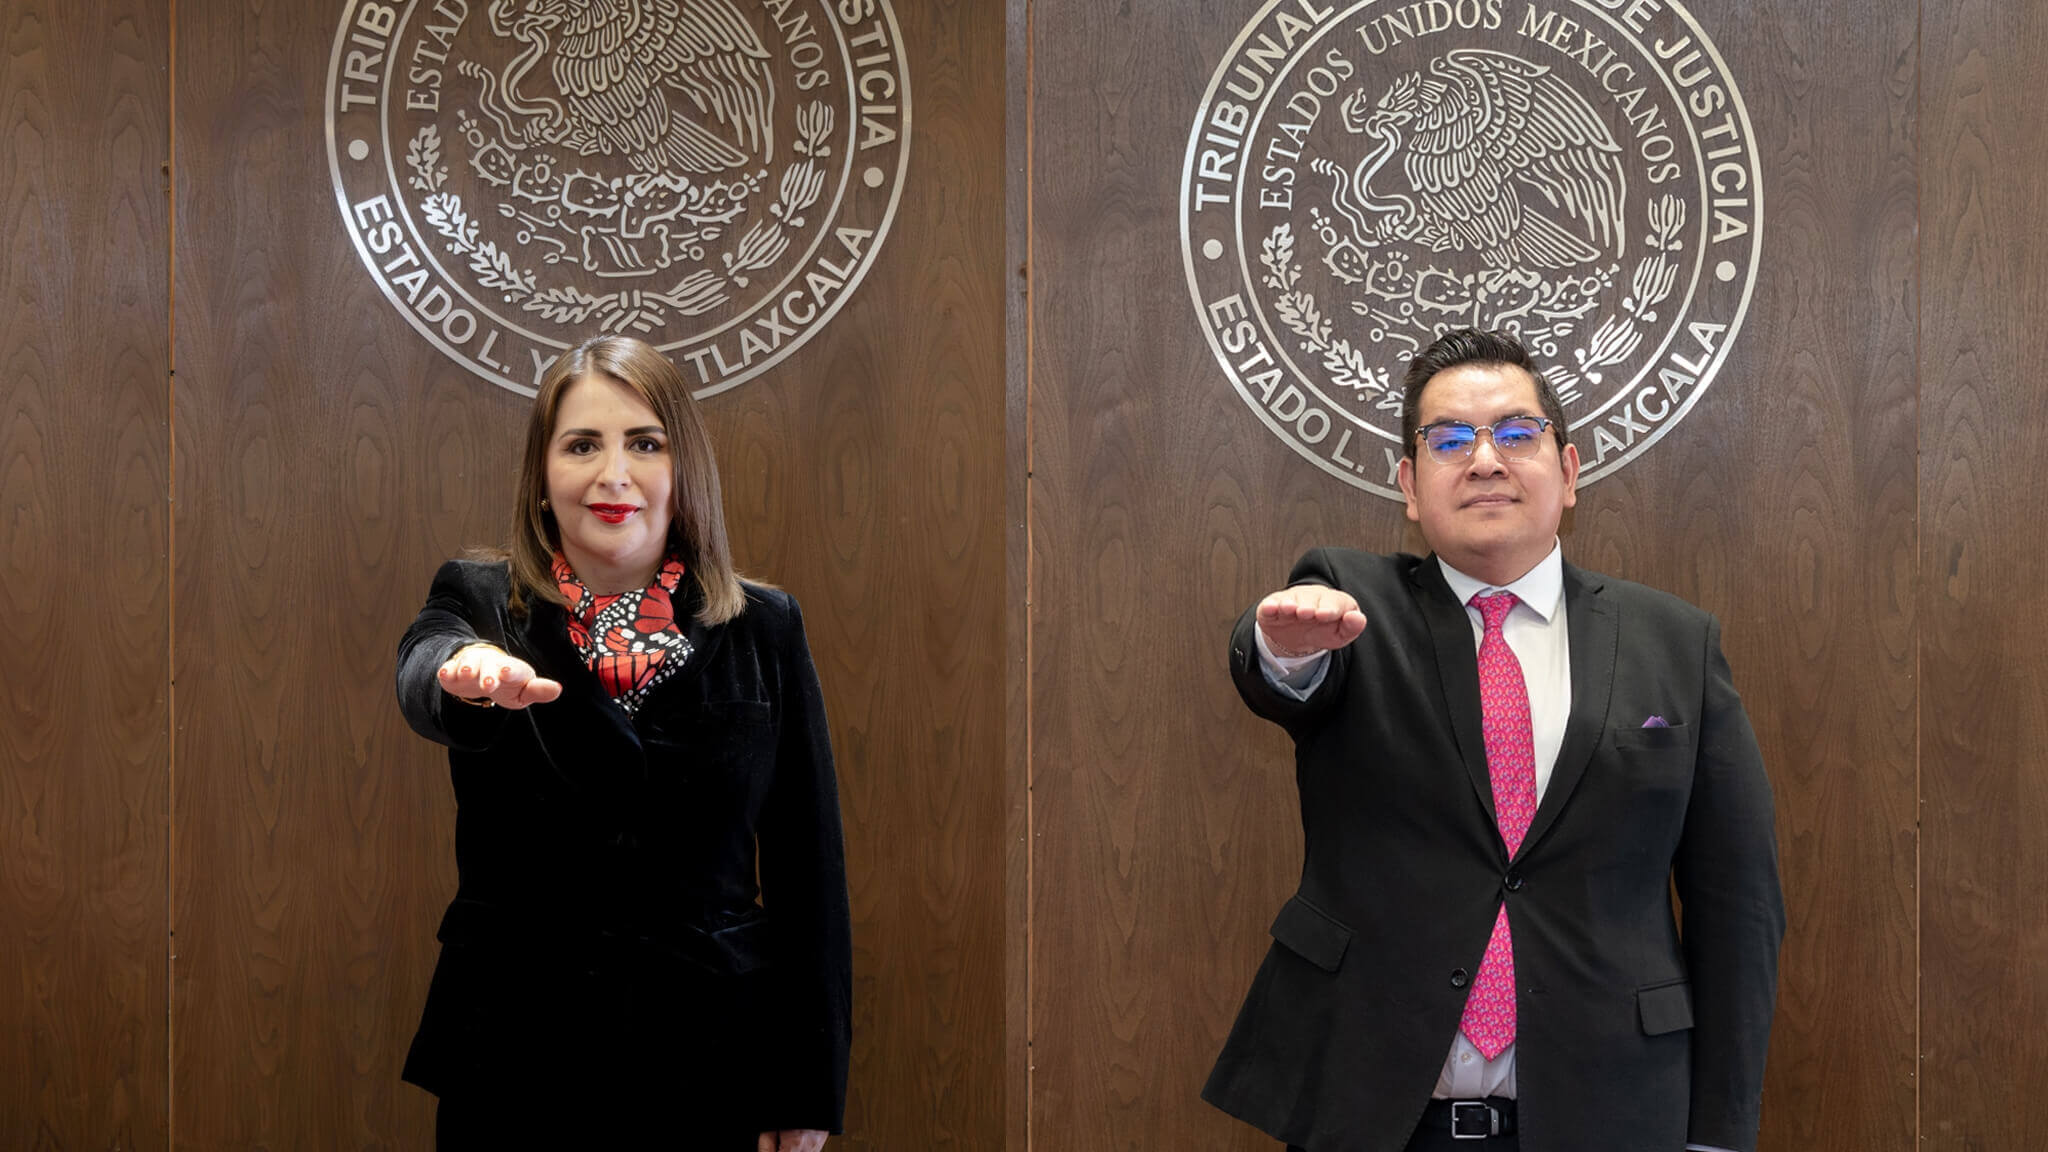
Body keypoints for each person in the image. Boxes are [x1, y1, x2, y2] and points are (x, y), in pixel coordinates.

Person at [1203, 329, 1785, 1152]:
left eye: (1516, 433)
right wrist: (1283, 648)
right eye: (1448, 440)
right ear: (1410, 486)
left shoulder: (1675, 643)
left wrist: (1719, 1132)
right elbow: (1281, 674)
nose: (1484, 460)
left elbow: (1738, 903)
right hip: (1373, 1115)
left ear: (1569, 471)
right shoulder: (1352, 605)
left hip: (1610, 1115)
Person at [394, 334, 850, 1151]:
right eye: (582, 446)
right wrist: (462, 672)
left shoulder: (764, 627)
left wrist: (807, 1087)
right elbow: (427, 664)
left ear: (684, 470)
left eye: (644, 443)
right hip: (514, 1060)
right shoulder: (482, 601)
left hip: (712, 1059)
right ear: (541, 480)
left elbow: (808, 870)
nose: (613, 474)